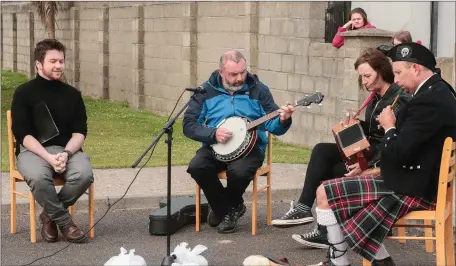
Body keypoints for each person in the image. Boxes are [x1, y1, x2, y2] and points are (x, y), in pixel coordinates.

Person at [307, 42, 456, 266]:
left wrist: (389, 126)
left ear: (415, 68)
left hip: (411, 187)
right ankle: (380, 260)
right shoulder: (441, 89)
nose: (395, 79)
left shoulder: (427, 101)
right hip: (419, 178)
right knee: (340, 186)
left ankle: (339, 262)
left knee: (325, 193)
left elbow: (399, 152)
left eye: (398, 72)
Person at [272, 48, 410, 247]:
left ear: (382, 71)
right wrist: (356, 123)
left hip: (379, 162)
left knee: (330, 172)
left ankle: (325, 232)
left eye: (367, 76)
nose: (364, 81)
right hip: (369, 152)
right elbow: (374, 131)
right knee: (321, 150)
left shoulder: (397, 99)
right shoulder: (376, 97)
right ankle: (304, 208)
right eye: (361, 77)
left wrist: (366, 165)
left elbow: (391, 137)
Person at [183, 50, 295, 234]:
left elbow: (273, 126)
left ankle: (223, 210)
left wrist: (284, 119)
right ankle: (229, 208)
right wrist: (213, 133)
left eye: (243, 72)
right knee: (197, 166)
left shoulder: (259, 90)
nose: (239, 78)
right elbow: (189, 125)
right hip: (215, 146)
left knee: (239, 172)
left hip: (252, 147)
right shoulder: (205, 91)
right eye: (233, 74)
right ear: (221, 73)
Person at [11, 39, 93, 243]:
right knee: (39, 178)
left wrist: (65, 154)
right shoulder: (23, 93)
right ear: (39, 64)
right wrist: (48, 157)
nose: (59, 65)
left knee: (84, 174)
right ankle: (65, 222)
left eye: (61, 61)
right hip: (34, 152)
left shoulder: (72, 94)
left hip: (68, 150)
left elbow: (80, 132)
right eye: (53, 61)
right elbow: (23, 134)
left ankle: (49, 215)